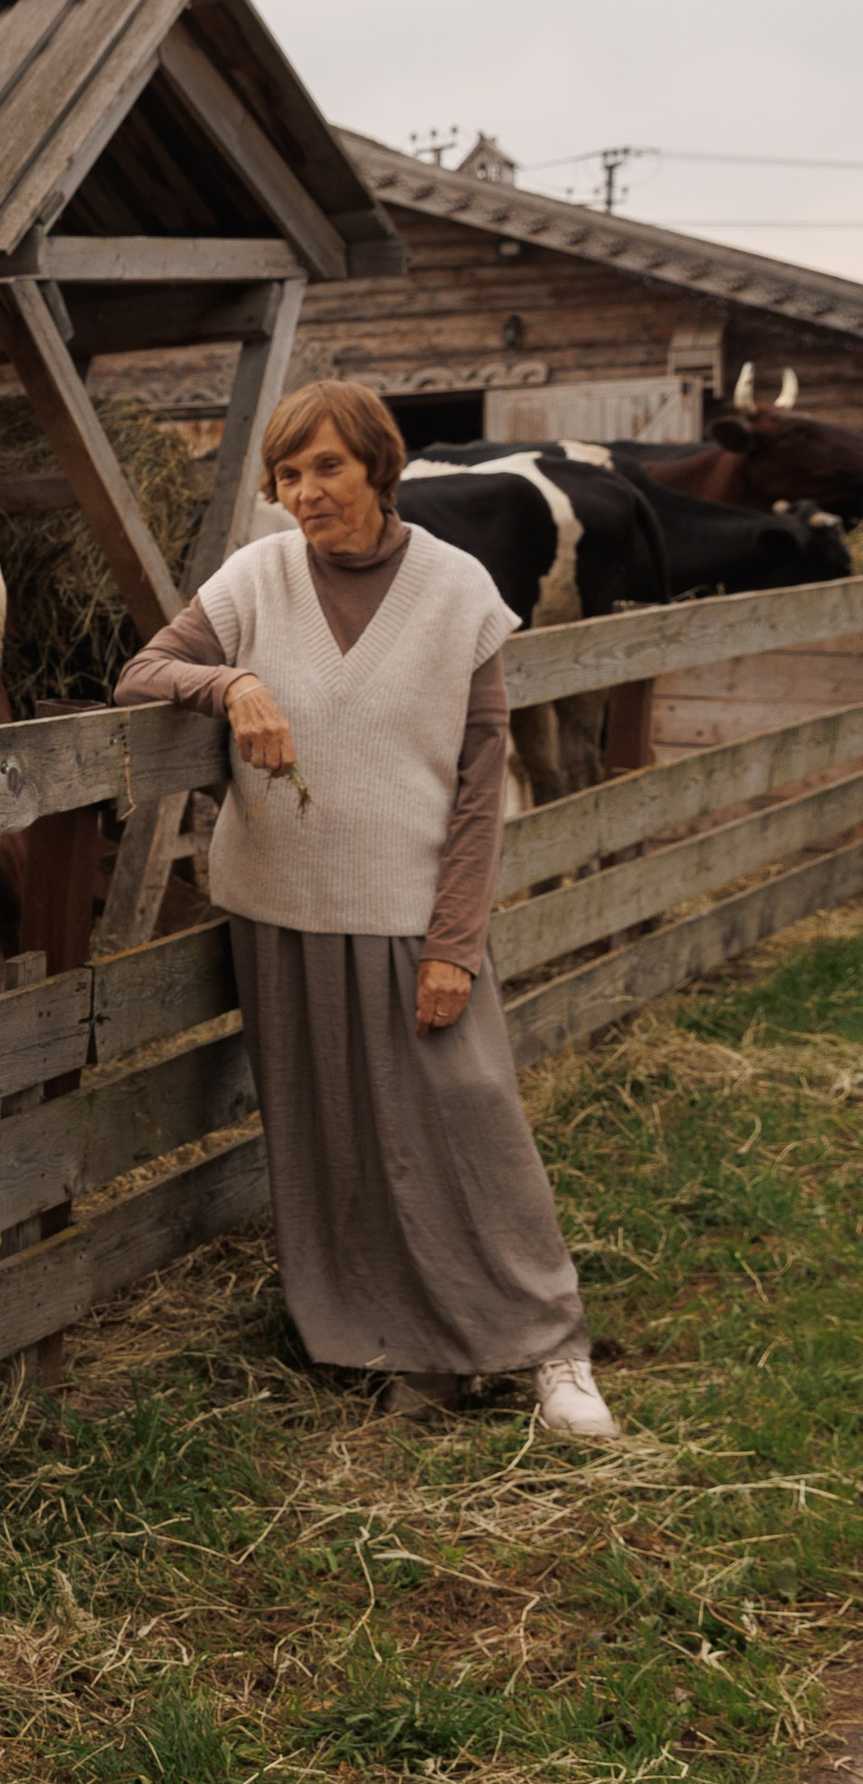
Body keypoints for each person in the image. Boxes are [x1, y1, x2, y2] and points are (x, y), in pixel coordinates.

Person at [114, 378, 616, 1438]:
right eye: (287, 474)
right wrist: (230, 686)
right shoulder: (255, 577)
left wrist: (453, 944)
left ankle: (550, 1347)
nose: (304, 492)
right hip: (279, 913)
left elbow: (483, 785)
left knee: (466, 1125)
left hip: (408, 916)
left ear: (377, 467)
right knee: (338, 1142)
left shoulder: (456, 590)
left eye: (326, 467)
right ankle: (409, 1348)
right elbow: (143, 669)